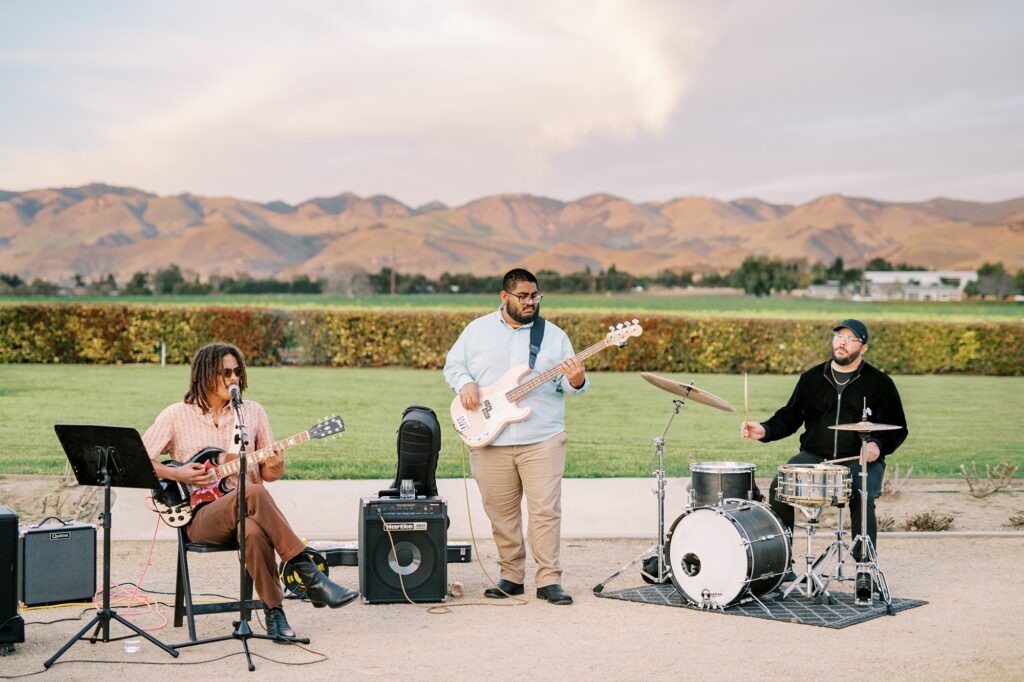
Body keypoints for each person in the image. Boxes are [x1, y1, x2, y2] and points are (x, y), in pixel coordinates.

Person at [143, 342, 357, 640]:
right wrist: (176, 472)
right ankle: (309, 574)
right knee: (252, 492)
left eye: (237, 371)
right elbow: (138, 459)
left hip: (251, 514)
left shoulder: (252, 413)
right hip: (202, 517)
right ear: (204, 375)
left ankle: (274, 614)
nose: (233, 378)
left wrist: (276, 464)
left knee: (254, 528)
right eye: (225, 372)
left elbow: (268, 475)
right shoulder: (177, 415)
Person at [443, 268, 589, 605]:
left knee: (545, 511)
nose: (530, 302)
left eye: (535, 296)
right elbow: (453, 365)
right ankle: (511, 576)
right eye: (523, 296)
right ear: (504, 297)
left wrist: (577, 379)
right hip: (489, 438)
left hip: (542, 438)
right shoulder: (476, 331)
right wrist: (464, 383)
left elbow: (567, 386)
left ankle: (549, 579)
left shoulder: (553, 336)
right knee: (501, 513)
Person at [740, 319, 908, 585]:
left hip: (858, 459)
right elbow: (791, 416)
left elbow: (898, 428)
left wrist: (877, 445)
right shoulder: (812, 378)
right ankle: (782, 564)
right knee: (779, 487)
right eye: (838, 336)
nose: (841, 342)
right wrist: (763, 430)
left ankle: (865, 568)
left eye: (850, 339)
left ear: (862, 348)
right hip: (815, 457)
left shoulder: (880, 383)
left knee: (862, 492)